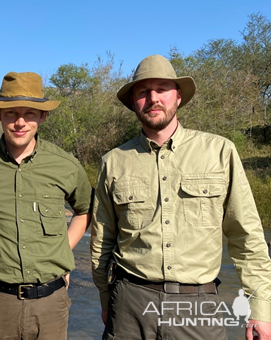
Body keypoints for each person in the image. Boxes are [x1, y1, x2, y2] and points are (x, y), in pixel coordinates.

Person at [90, 54, 271, 340]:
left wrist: (260, 308)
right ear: (134, 102)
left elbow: (246, 236)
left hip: (199, 306)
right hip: (129, 305)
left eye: (162, 88)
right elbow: (102, 240)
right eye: (143, 92)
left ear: (178, 96)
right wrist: (105, 299)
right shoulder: (112, 162)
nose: (153, 98)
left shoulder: (220, 152)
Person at [0, 71, 93, 340]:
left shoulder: (65, 164)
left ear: (43, 116)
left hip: (50, 302)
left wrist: (62, 249)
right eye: (11, 113)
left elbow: (85, 209)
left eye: (30, 113)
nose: (20, 122)